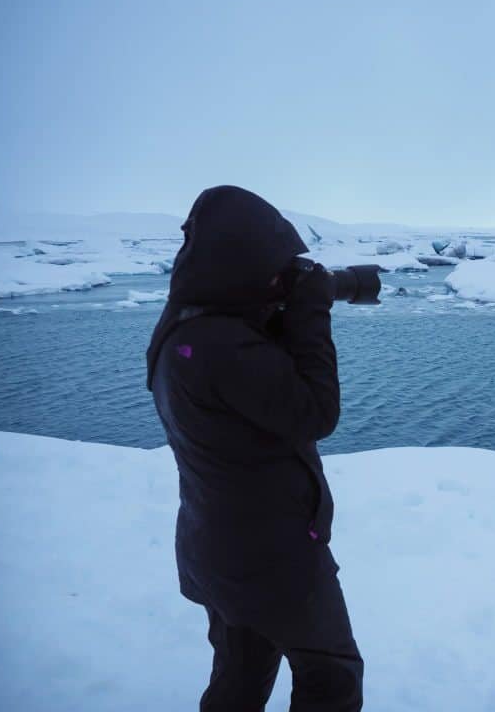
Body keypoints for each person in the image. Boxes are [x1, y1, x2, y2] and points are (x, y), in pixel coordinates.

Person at [146, 186, 363, 711]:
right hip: (273, 557)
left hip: (218, 545)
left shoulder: (185, 328)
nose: (279, 278)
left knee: (242, 672)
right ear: (240, 265)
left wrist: (283, 309)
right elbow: (316, 413)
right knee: (330, 676)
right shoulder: (225, 346)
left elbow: (254, 395)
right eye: (274, 268)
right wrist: (311, 311)